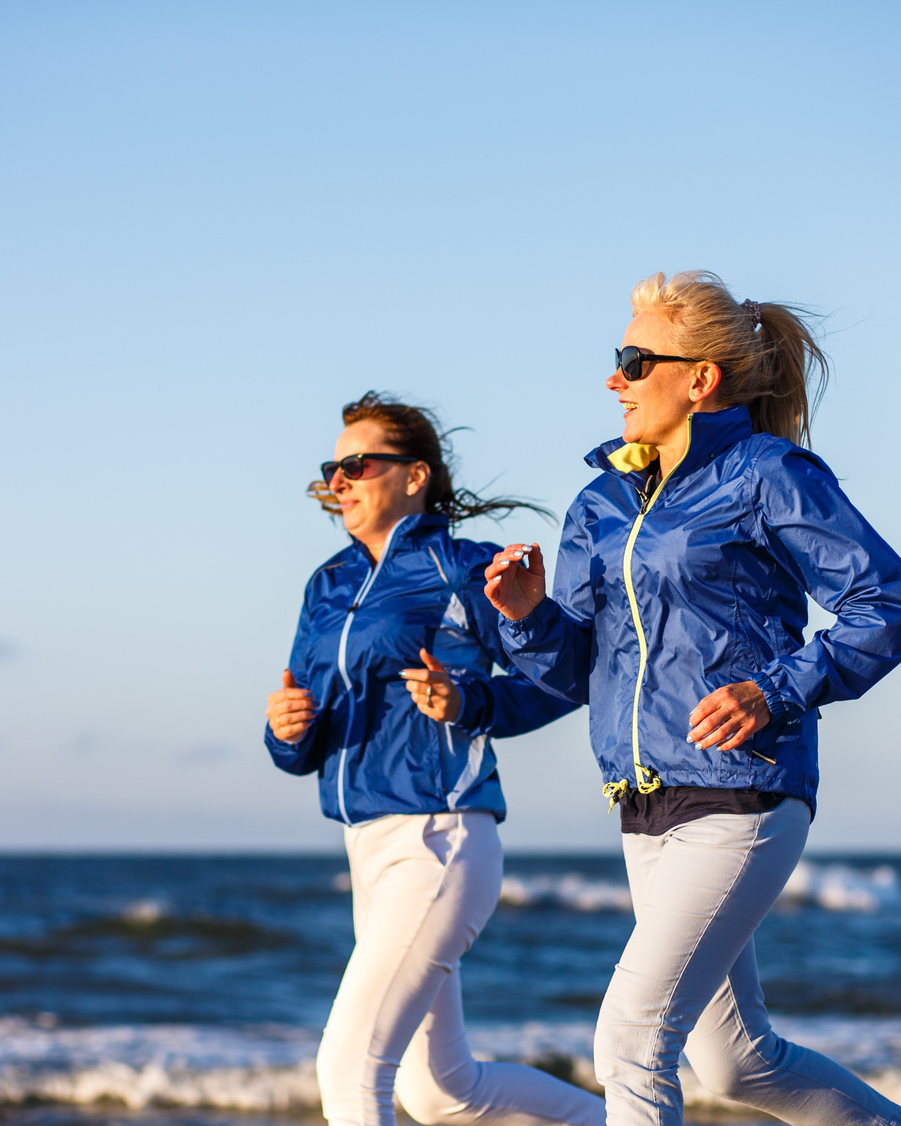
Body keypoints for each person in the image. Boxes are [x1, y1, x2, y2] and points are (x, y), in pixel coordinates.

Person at [484, 272, 901, 1126]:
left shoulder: (768, 474)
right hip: (644, 806)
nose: (615, 378)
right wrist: (528, 617)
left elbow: (888, 605)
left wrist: (777, 688)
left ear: (700, 379)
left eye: (634, 359)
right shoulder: (601, 503)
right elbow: (579, 670)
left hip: (743, 792)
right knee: (737, 1065)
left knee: (630, 1041)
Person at [265, 392, 605, 1126]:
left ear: (415, 476)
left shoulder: (464, 569)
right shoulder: (326, 586)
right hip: (365, 848)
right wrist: (287, 731)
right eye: (333, 468)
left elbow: (567, 680)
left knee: (349, 1067)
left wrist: (470, 701)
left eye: (358, 463)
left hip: (440, 840)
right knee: (442, 1092)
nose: (340, 480)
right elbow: (303, 738)